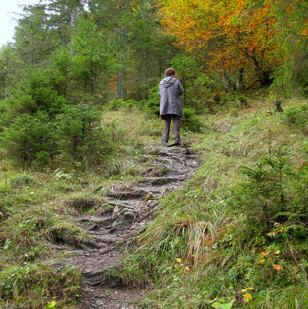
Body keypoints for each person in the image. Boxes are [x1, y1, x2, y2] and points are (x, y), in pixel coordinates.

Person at [159, 67, 184, 146]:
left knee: (166, 123)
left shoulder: (161, 82)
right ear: (173, 74)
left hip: (165, 106)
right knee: (176, 123)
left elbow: (160, 93)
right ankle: (177, 140)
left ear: (166, 74)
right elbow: (181, 91)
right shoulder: (176, 81)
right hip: (175, 105)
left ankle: (165, 140)